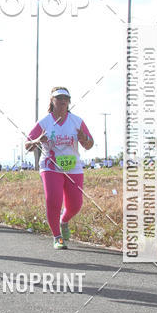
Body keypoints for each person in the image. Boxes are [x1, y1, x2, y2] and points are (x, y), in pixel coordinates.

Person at [25, 86, 93, 250]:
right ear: (52, 101)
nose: (62, 102)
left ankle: (64, 221)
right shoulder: (45, 122)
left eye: (65, 99)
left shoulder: (77, 121)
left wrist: (84, 138)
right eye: (59, 98)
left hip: (73, 167)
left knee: (75, 205)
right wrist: (38, 140)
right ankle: (57, 237)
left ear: (69, 102)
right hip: (50, 167)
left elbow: (89, 144)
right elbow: (27, 145)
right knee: (53, 200)